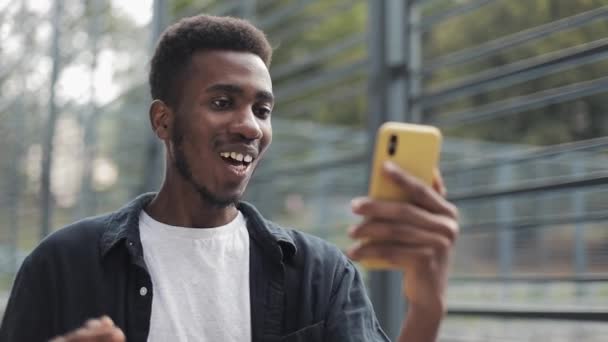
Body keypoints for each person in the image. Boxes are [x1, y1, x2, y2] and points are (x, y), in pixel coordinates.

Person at [0, 14, 459, 342]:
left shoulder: (321, 274)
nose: (250, 126)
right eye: (222, 102)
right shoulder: (61, 265)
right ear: (163, 121)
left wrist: (427, 309)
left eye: (262, 109)